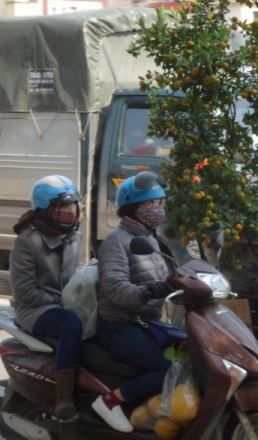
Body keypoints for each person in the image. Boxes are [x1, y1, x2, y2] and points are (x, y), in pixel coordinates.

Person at [92, 171, 174, 432]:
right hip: (120, 324)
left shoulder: (149, 236)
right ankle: (110, 400)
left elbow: (166, 273)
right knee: (169, 368)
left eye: (160, 204)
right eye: (152, 204)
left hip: (146, 321)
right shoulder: (116, 242)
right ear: (134, 207)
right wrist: (148, 292)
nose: (158, 209)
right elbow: (115, 288)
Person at [9, 175, 83, 422]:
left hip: (65, 303)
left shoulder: (74, 235)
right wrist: (64, 299)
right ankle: (63, 397)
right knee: (71, 326)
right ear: (44, 211)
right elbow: (25, 293)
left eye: (73, 206)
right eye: (62, 208)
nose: (70, 213)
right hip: (35, 309)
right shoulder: (26, 242)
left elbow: (74, 274)